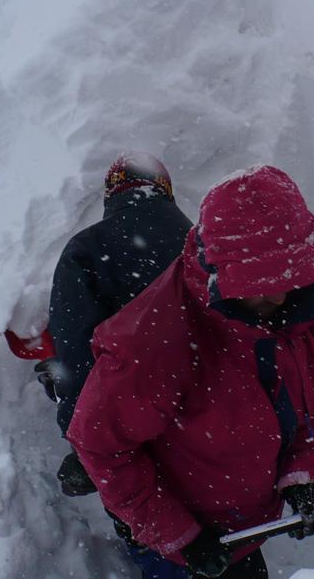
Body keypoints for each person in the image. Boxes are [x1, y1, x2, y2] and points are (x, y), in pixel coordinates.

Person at [67, 165, 314, 579]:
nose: (280, 294)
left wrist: (303, 469)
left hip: (248, 526)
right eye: (262, 283)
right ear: (222, 275)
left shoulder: (309, 294)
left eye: (290, 277)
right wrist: (179, 535)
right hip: (185, 540)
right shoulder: (156, 340)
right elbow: (98, 443)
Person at [46, 151, 192, 495]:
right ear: (165, 190)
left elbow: (75, 349)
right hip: (204, 421)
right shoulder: (200, 242)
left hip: (124, 420)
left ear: (112, 194)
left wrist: (81, 441)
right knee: (215, 535)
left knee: (151, 525)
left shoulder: (86, 249)